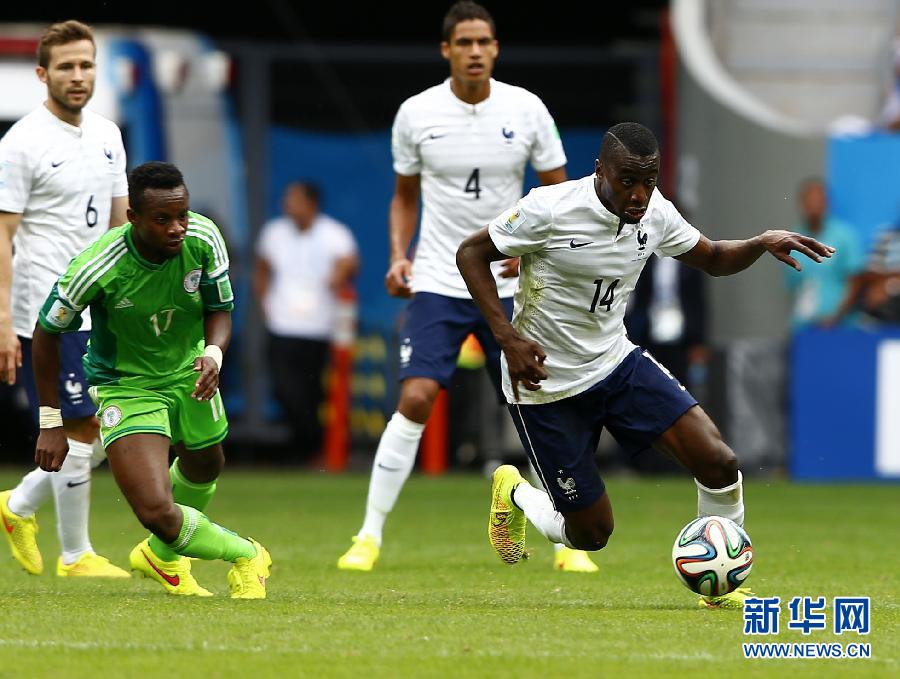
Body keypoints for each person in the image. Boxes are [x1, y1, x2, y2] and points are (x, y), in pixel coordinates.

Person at [456, 122, 834, 608]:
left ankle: (718, 586)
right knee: (590, 534)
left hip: (615, 364)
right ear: (600, 172)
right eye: (627, 181)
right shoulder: (548, 209)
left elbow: (715, 258)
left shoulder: (655, 213)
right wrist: (506, 337)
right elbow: (471, 254)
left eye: (649, 181)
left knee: (719, 462)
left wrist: (759, 243)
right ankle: (515, 491)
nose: (638, 195)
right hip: (546, 385)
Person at [338, 1, 598, 573]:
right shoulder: (416, 113)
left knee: (540, 402)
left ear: (496, 49)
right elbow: (405, 196)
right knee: (415, 397)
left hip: (508, 283)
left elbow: (560, 195)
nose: (475, 51)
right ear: (446, 51)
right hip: (437, 277)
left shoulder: (527, 109)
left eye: (484, 42)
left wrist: (530, 254)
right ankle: (368, 535)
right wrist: (397, 256)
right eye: (464, 43)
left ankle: (564, 541)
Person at [31, 161, 271, 598]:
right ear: (133, 218)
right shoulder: (97, 266)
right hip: (128, 385)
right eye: (163, 219)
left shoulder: (204, 237)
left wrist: (214, 354)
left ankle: (162, 556)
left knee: (206, 464)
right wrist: (51, 420)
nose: (178, 227)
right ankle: (245, 552)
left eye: (182, 214)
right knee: (156, 510)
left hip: (190, 371)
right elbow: (46, 333)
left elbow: (220, 308)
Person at [0, 20, 130, 578]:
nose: (78, 76)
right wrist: (3, 321)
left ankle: (19, 504)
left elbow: (122, 221)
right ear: (42, 74)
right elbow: (3, 234)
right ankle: (76, 555)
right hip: (48, 311)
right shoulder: (21, 143)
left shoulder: (108, 133)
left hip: (101, 307)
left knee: (107, 425)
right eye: (66, 67)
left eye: (86, 65)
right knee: (80, 428)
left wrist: (128, 299)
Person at [253, 181, 359, 464]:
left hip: (318, 326)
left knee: (311, 390)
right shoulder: (274, 232)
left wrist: (340, 272)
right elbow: (262, 269)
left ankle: (310, 448)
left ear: (311, 203)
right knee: (283, 387)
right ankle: (304, 442)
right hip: (281, 324)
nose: (288, 203)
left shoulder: (335, 234)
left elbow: (351, 261)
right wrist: (265, 304)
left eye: (294, 198)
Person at [783, 178, 863, 328]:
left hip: (841, 325)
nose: (814, 205)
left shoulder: (844, 235)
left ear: (827, 203)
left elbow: (856, 280)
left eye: (819, 200)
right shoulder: (791, 239)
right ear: (801, 204)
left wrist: (837, 316)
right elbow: (793, 284)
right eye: (810, 201)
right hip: (803, 324)